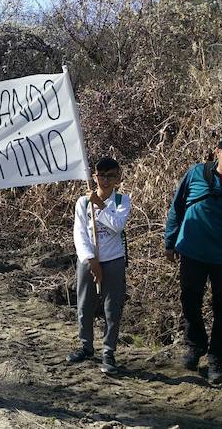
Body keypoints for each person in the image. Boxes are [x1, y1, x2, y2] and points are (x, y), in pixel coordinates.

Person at [165, 133, 222, 384]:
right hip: (192, 252)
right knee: (189, 300)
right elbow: (177, 207)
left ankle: (217, 359)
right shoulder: (196, 174)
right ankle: (195, 344)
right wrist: (169, 242)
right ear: (217, 153)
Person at [66, 157, 130, 375]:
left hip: (113, 260)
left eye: (110, 176)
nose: (105, 180)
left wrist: (100, 205)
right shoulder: (82, 202)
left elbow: (117, 226)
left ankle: (109, 351)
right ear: (95, 177)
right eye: (101, 176)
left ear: (118, 178)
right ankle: (86, 346)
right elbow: (79, 233)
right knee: (85, 305)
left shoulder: (122, 201)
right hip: (89, 258)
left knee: (112, 308)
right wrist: (89, 259)